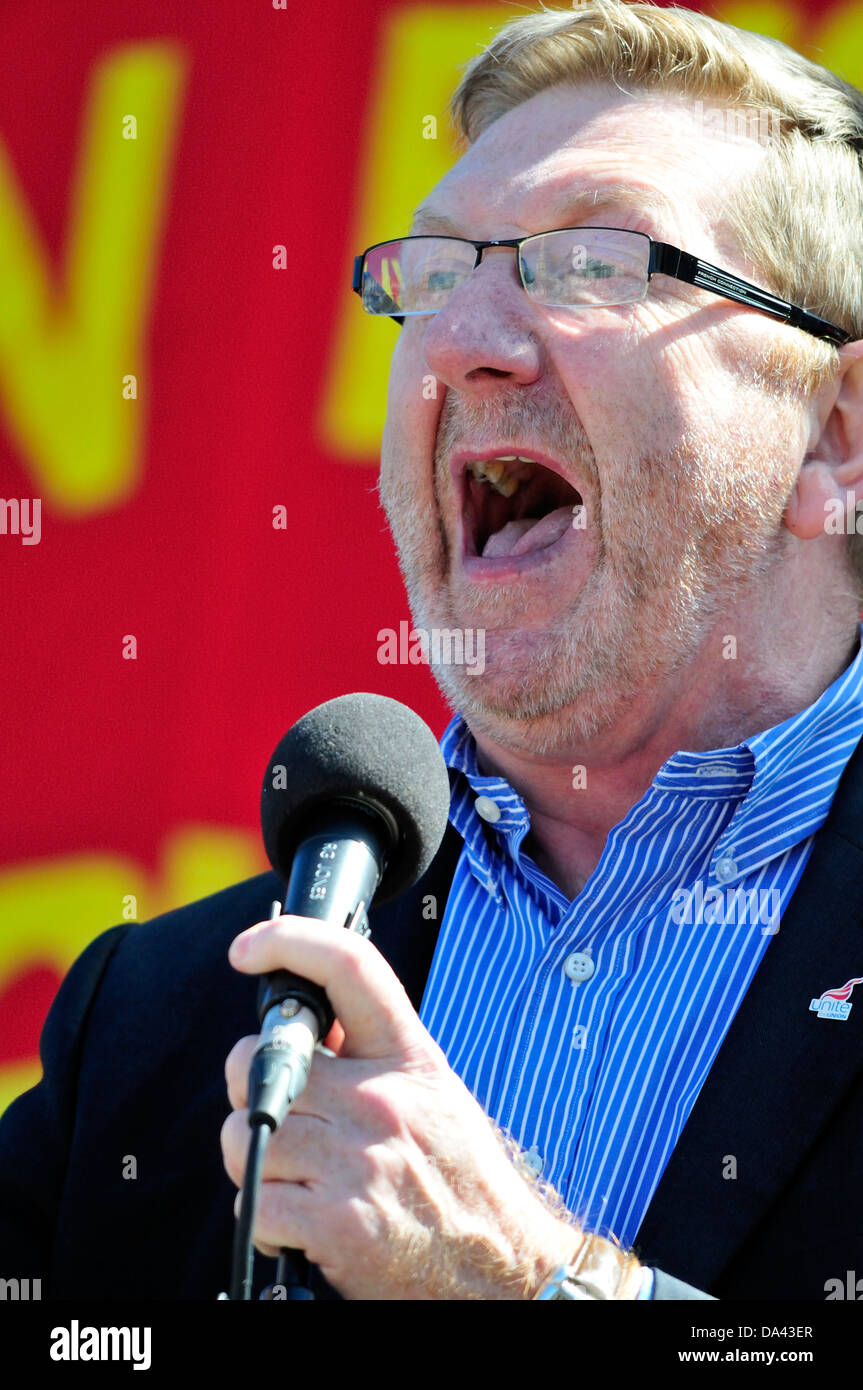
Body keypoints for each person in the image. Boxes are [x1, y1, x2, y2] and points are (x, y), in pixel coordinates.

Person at [2, 0, 863, 1301]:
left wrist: (527, 1282)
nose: (459, 342)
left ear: (834, 437)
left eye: (592, 264)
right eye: (438, 276)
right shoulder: (162, 1022)